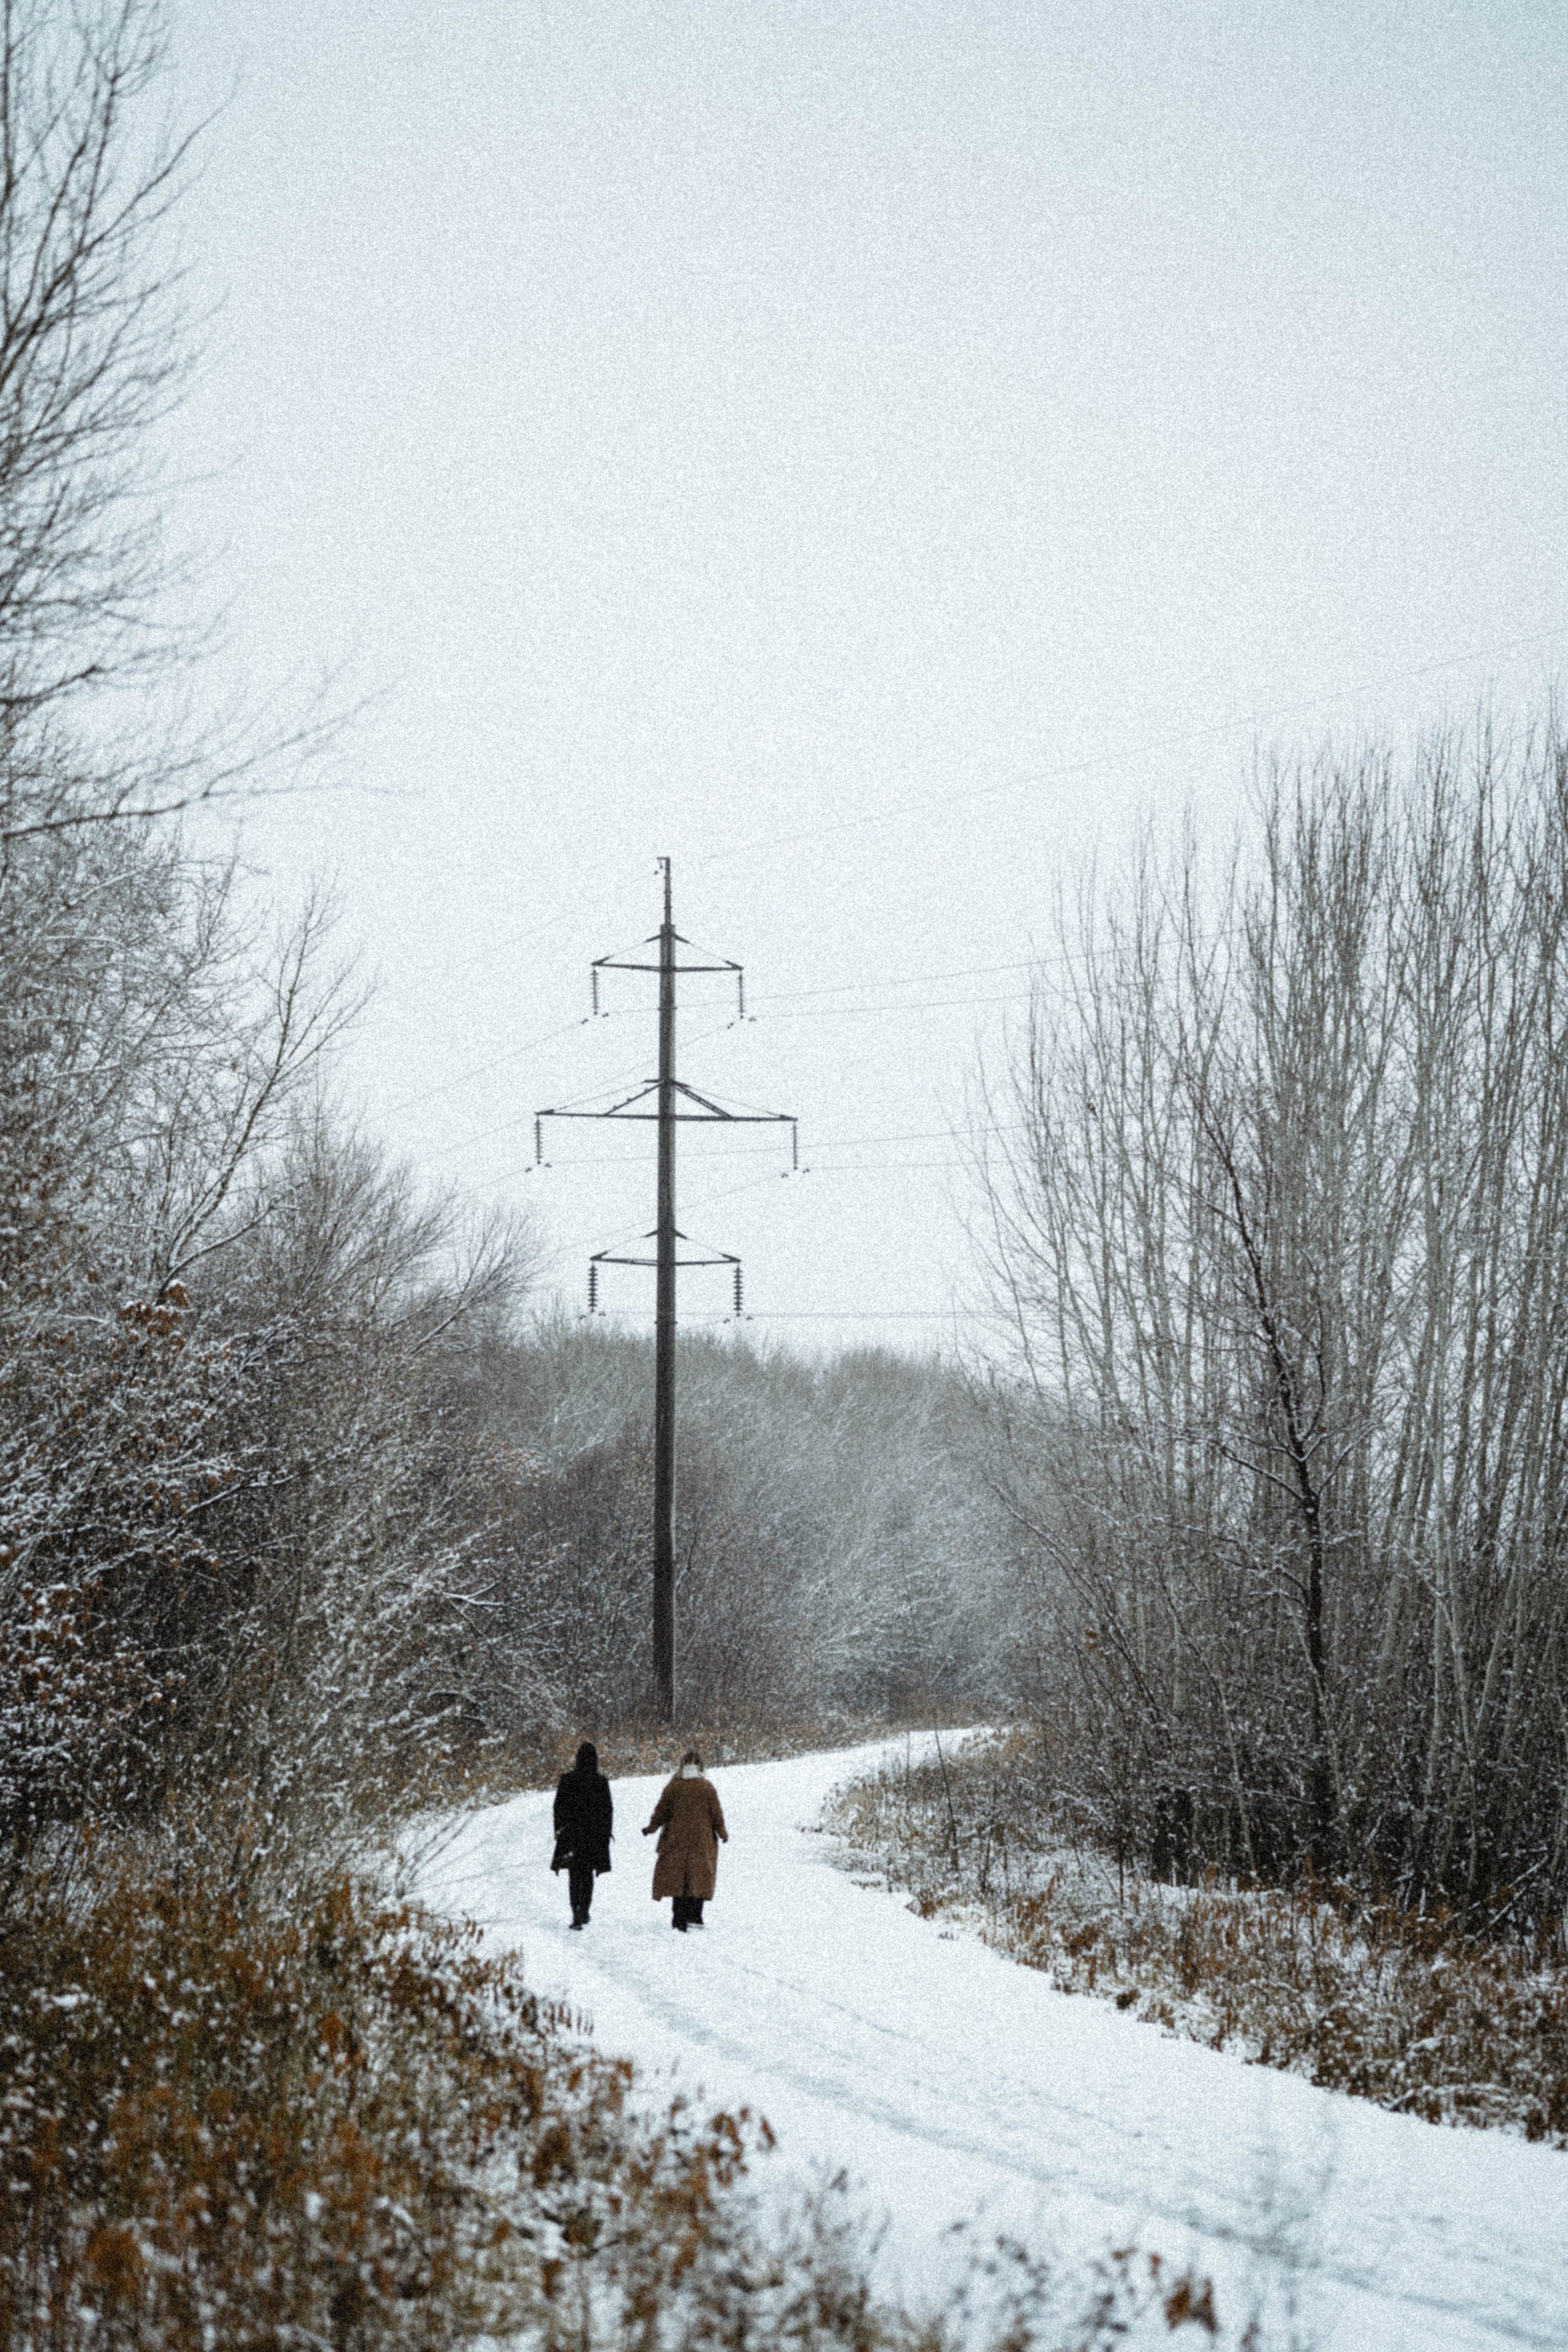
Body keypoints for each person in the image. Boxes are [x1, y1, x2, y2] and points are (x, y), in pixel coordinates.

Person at [643, 1746, 728, 1930]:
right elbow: (716, 1815)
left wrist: (651, 1829)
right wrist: (723, 1833)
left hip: (676, 1839)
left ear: (682, 1766)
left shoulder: (673, 1786)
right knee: (699, 1876)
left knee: (678, 1877)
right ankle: (695, 1917)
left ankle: (679, 1918)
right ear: (700, 1766)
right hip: (702, 1840)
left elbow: (661, 1812)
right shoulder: (707, 1787)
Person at [551, 1741, 613, 1928]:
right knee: (587, 1875)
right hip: (593, 1837)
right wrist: (606, 1834)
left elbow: (558, 1808)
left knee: (574, 1874)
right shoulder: (601, 1782)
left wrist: (559, 1830)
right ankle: (584, 1909)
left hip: (571, 1835)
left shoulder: (567, 1780)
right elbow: (608, 1810)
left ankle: (575, 1911)